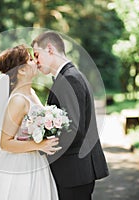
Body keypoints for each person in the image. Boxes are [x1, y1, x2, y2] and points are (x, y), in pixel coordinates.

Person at [0, 44, 61, 200]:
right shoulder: (18, 100)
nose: (35, 61)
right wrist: (39, 145)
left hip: (36, 161)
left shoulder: (30, 92)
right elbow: (5, 143)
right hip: (20, 164)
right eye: (30, 59)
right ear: (22, 70)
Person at [31, 31, 109, 200]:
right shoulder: (68, 76)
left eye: (37, 55)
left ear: (50, 49)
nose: (35, 62)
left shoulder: (69, 79)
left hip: (73, 172)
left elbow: (74, 129)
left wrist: (42, 145)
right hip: (74, 171)